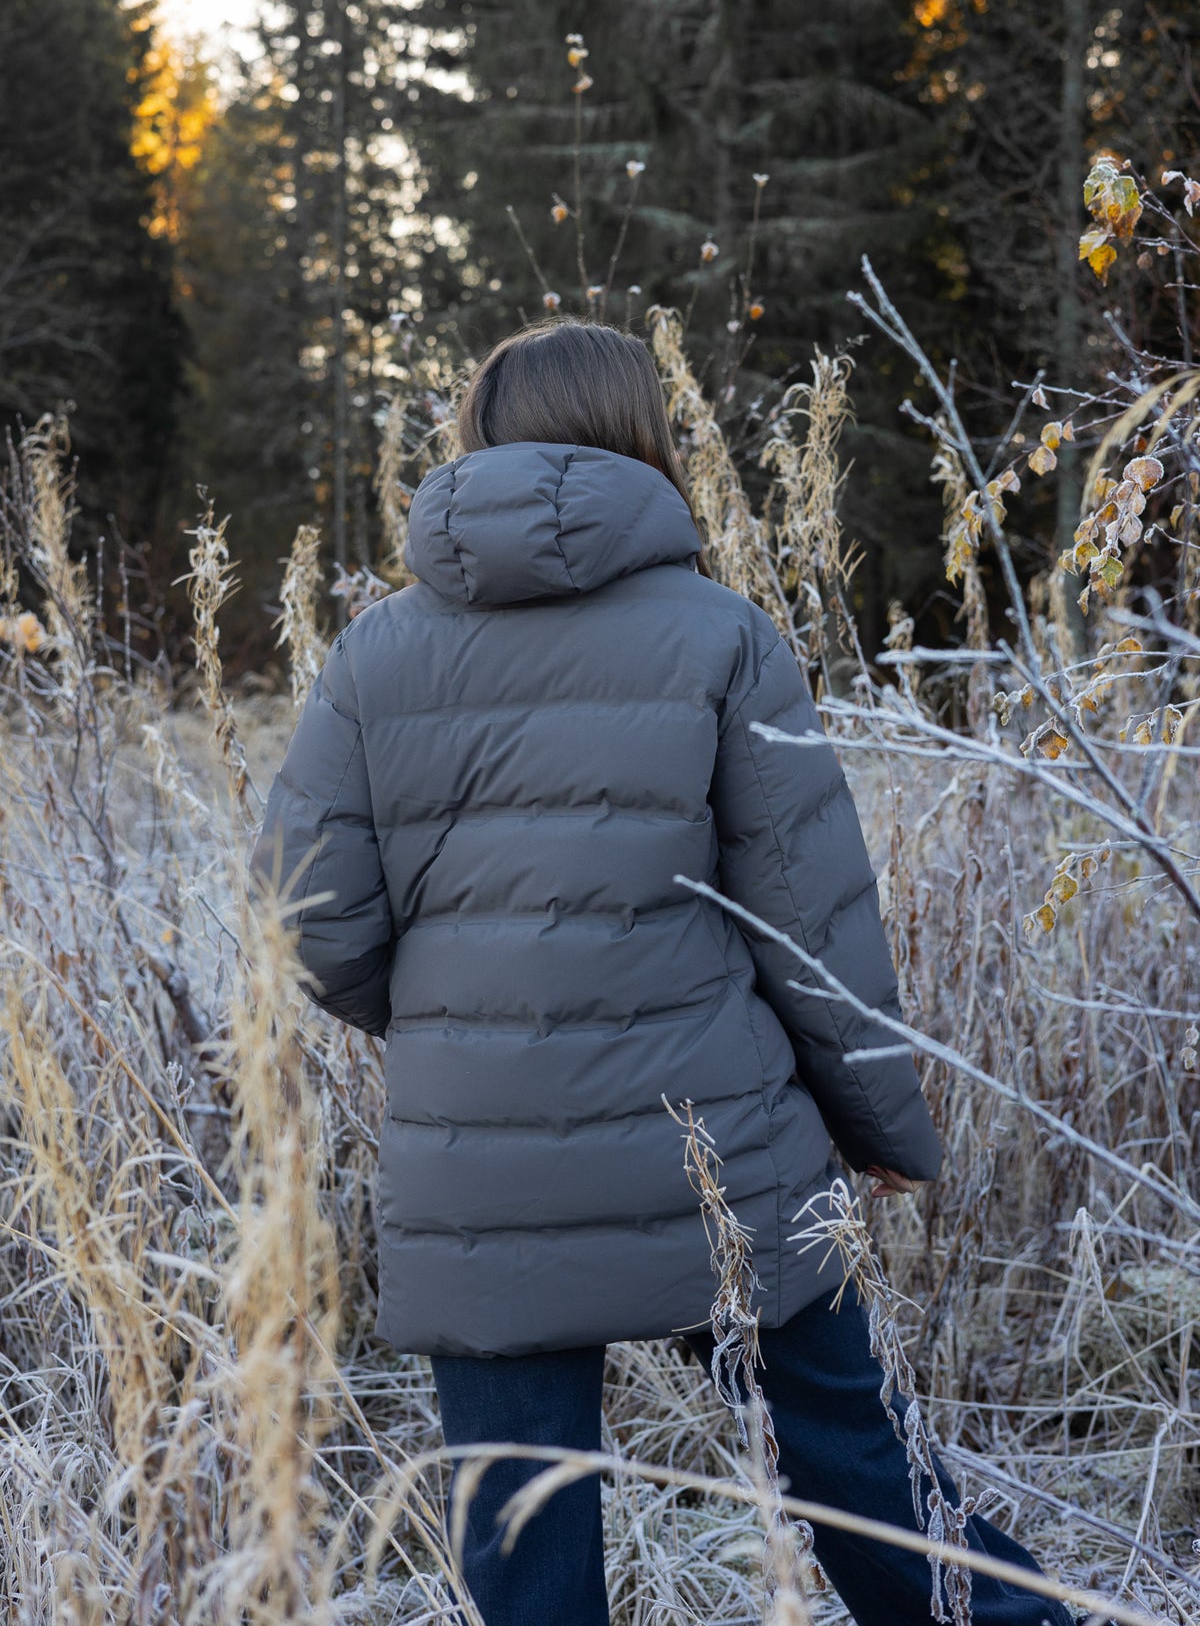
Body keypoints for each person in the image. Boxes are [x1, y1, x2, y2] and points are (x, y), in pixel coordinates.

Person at [251, 319, 1075, 1626]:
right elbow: (810, 923)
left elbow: (305, 914)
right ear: (643, 431)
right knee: (861, 1472)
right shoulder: (723, 634)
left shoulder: (373, 655)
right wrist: (883, 1129)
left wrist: (450, 1023)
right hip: (717, 1142)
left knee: (521, 1533)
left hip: (479, 1167)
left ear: (480, 432)